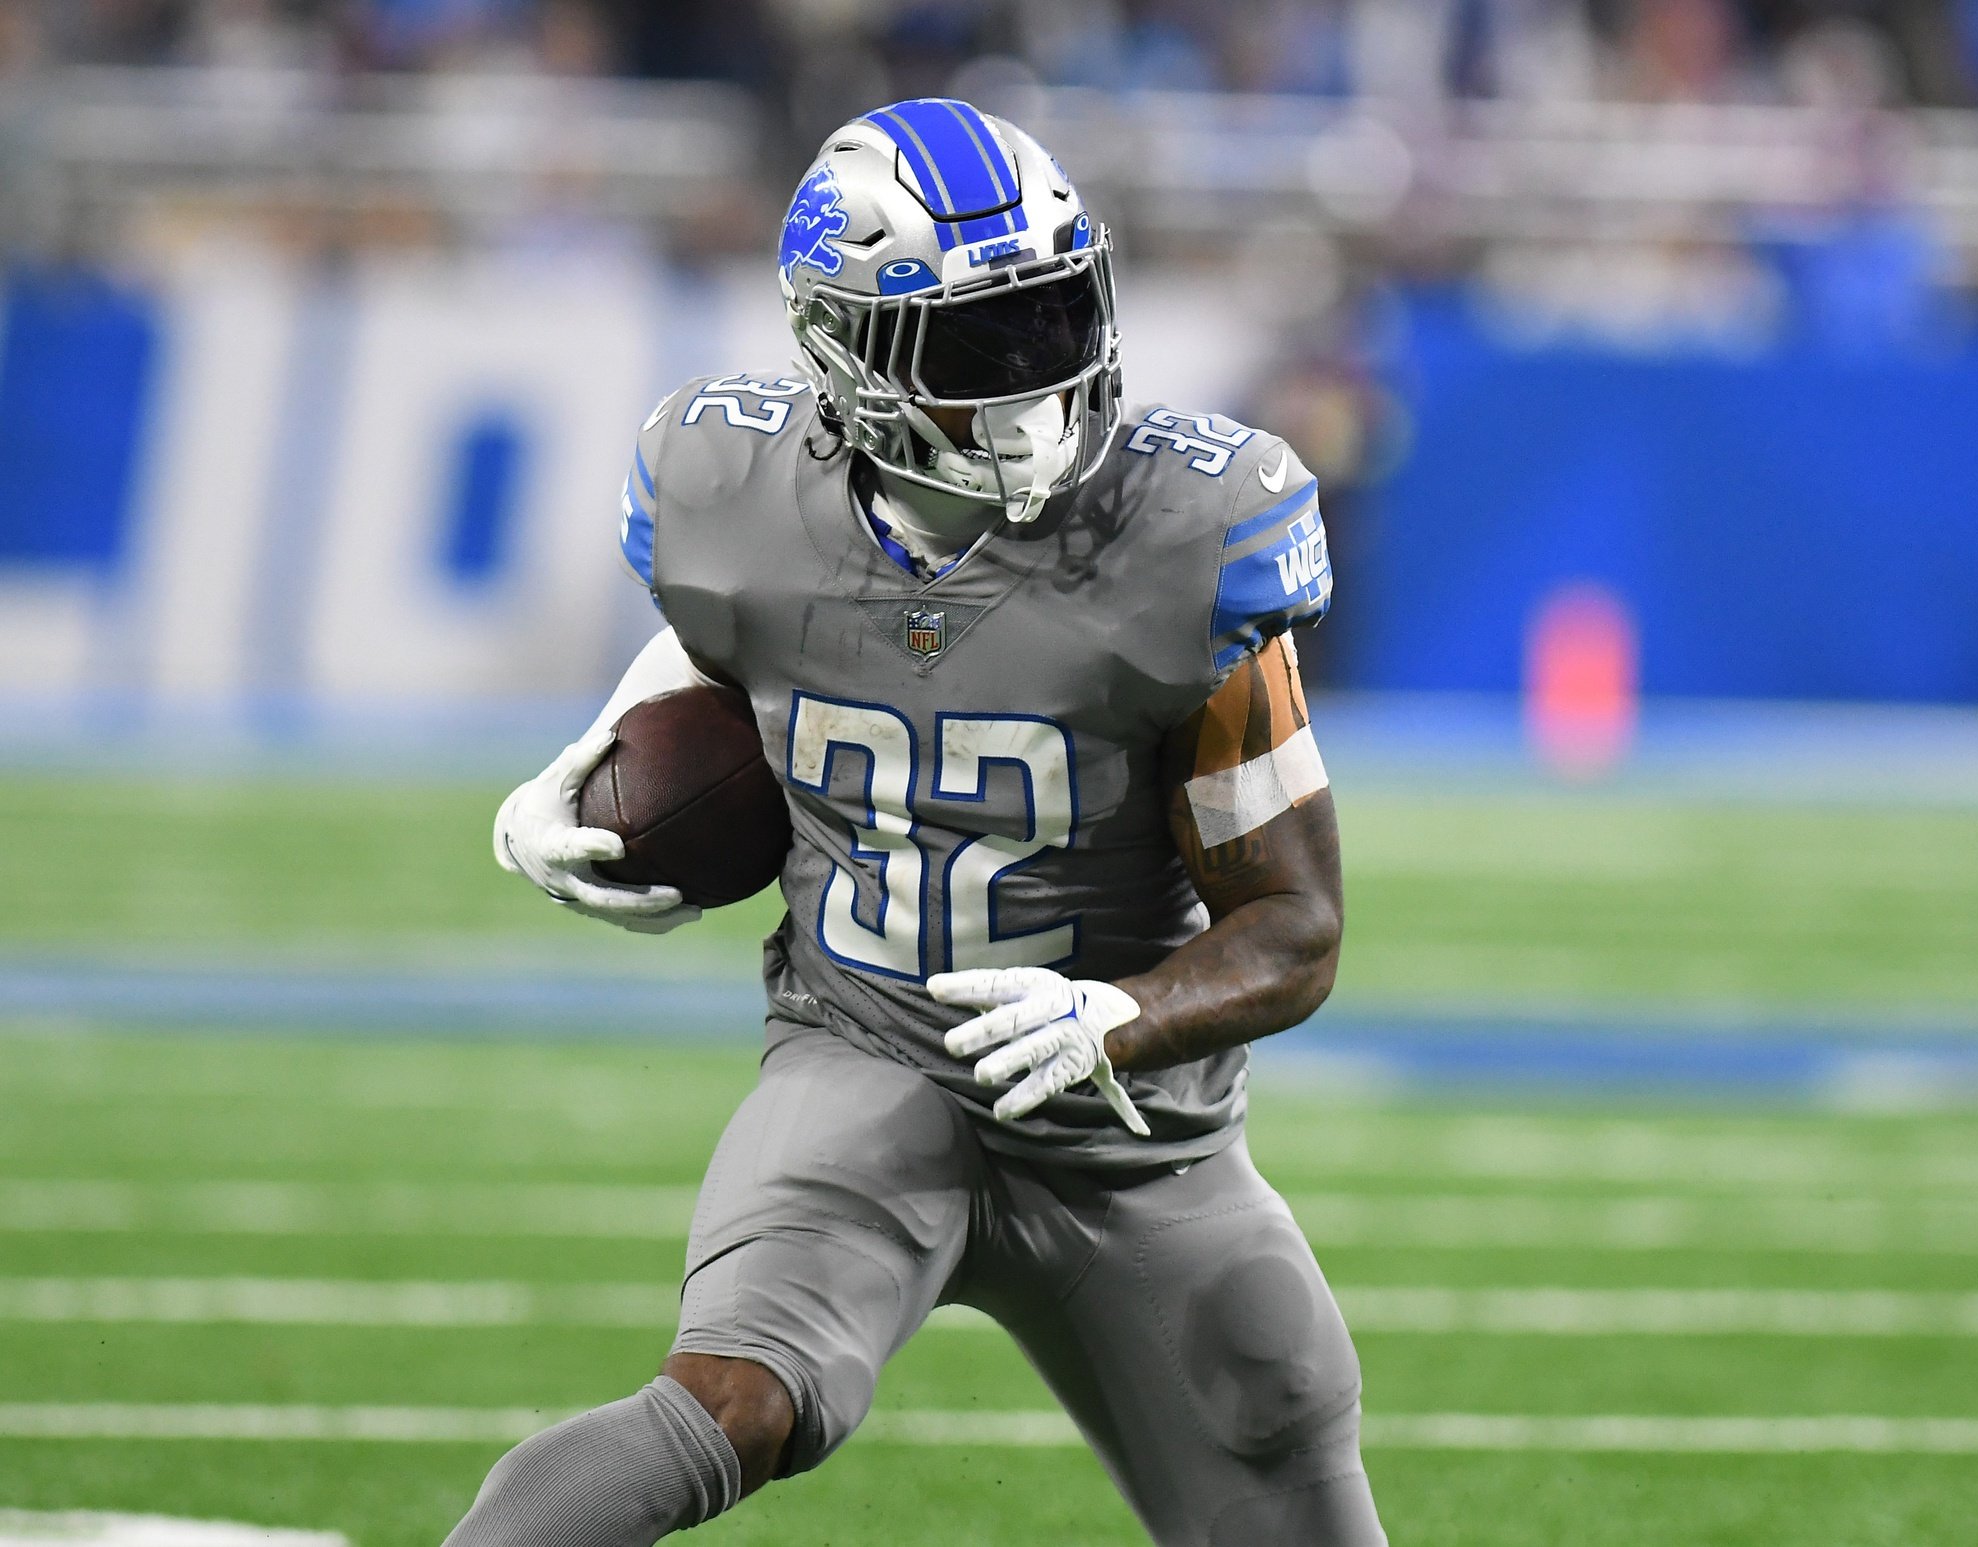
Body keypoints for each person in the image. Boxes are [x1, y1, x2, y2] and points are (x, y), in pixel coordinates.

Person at [459, 97, 1383, 1546]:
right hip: (866, 1055)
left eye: (1055, 315)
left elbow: (1297, 930)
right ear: (845, 355)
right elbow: (728, 641)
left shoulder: (1192, 539)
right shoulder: (734, 489)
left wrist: (1114, 1017)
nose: (1039, 380)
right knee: (729, 1404)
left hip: (1132, 1131)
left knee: (1278, 1425)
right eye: (976, 344)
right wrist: (574, 766)